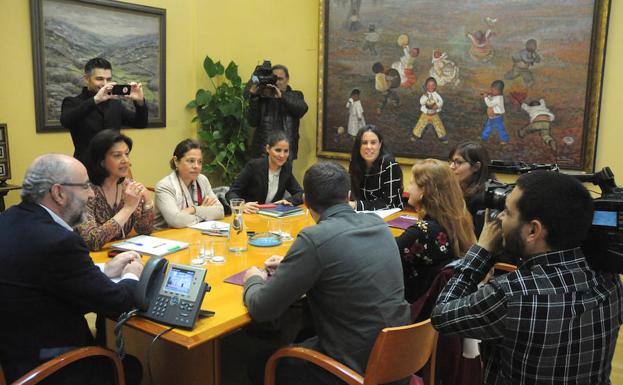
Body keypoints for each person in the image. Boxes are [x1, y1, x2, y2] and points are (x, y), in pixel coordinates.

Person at [432, 171, 623, 385]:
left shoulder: (511, 294)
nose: (500, 217)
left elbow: (442, 316)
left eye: (507, 211)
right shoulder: (610, 279)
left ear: (533, 230)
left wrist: (482, 251)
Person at [243, 161, 411, 385]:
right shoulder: (378, 225)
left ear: (305, 201)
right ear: (348, 195)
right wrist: (292, 264)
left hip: (355, 370)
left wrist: (253, 280)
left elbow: (262, 309)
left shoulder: (314, 239)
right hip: (398, 358)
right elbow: (342, 261)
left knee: (259, 362)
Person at [0, 154, 144, 384]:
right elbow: (118, 304)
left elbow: (49, 278)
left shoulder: (8, 219)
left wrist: (105, 270)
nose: (90, 194)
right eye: (85, 186)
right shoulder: (58, 241)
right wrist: (132, 274)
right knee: (131, 366)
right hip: (48, 368)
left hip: (12, 356)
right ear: (58, 193)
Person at [396, 159, 475, 302]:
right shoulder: (460, 219)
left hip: (413, 306)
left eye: (412, 183)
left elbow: (387, 258)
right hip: (440, 303)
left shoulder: (421, 232)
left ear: (424, 190)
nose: (408, 188)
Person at [76, 130, 154, 250]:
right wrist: (127, 209)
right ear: (101, 161)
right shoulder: (85, 191)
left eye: (127, 154)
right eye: (117, 155)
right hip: (89, 259)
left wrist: (148, 203)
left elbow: (145, 231)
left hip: (121, 254)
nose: (125, 160)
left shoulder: (129, 186)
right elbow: (92, 241)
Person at [60, 57, 148, 165]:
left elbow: (140, 123)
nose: (105, 83)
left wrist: (140, 102)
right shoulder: (73, 102)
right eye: (100, 79)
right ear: (86, 79)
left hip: (113, 168)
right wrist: (95, 100)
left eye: (108, 79)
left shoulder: (115, 104)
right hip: (85, 169)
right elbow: (66, 121)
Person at [226, 131, 304, 214]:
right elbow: (231, 192)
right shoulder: (254, 166)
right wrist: (242, 206)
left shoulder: (286, 168)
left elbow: (300, 193)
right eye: (278, 150)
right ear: (268, 149)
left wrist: (287, 201)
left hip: (272, 218)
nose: (282, 155)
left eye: (286, 151)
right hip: (250, 215)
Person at [154, 139, 224, 229]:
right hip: (165, 237)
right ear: (176, 161)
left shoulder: (202, 180)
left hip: (192, 233)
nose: (196, 166)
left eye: (200, 162)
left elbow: (220, 211)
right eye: (191, 161)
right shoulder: (164, 186)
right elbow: (176, 221)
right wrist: (204, 212)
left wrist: (193, 209)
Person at [246, 64, 308, 160]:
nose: (277, 82)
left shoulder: (296, 95)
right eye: (274, 79)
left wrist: (282, 96)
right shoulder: (263, 98)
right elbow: (252, 122)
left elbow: (302, 109)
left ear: (287, 79)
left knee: (285, 175)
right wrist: (254, 98)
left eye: (280, 79)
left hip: (285, 154)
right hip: (263, 153)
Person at [348, 125, 404, 211]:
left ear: (380, 144)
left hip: (391, 217)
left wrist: (357, 205)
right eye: (364, 143)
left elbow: (389, 203)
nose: (369, 147)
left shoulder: (389, 164)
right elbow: (354, 195)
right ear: (359, 145)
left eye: (373, 143)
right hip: (362, 215)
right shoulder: (354, 162)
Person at [448, 141, 494, 236]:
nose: (451, 167)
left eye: (458, 162)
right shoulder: (457, 189)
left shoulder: (481, 199)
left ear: (476, 167)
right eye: (452, 161)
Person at [412, 77, 448, 143]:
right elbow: (421, 102)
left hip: (434, 113)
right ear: (426, 86)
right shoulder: (425, 95)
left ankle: (443, 138)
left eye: (432, 85)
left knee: (438, 125)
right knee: (420, 124)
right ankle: (415, 136)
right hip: (426, 113)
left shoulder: (436, 95)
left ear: (435, 86)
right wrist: (425, 96)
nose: (431, 87)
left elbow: (441, 101)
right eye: (429, 85)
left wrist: (437, 105)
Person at [480, 80, 509, 144]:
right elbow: (492, 99)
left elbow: (490, 104)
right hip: (492, 117)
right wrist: (488, 96)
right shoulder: (496, 96)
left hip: (497, 118)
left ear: (498, 91)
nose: (491, 92)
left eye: (493, 91)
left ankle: (505, 139)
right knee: (488, 127)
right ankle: (484, 137)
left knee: (501, 129)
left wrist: (485, 97)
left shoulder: (499, 98)